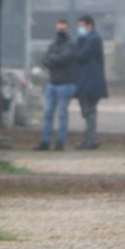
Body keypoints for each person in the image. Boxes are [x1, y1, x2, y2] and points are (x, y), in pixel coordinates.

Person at [36, 18, 77, 151]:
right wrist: (55, 59)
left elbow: (63, 59)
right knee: (48, 113)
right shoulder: (53, 45)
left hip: (65, 84)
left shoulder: (71, 45)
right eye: (59, 28)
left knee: (62, 114)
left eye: (63, 28)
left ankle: (60, 142)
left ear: (67, 29)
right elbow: (44, 60)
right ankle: (45, 141)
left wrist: (52, 58)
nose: (60, 31)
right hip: (52, 84)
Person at [74, 14, 108, 150]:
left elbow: (81, 55)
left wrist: (80, 39)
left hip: (90, 83)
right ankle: (90, 139)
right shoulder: (91, 38)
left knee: (89, 113)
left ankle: (90, 140)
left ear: (89, 25)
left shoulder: (93, 39)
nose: (79, 30)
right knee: (89, 113)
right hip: (88, 82)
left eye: (81, 27)